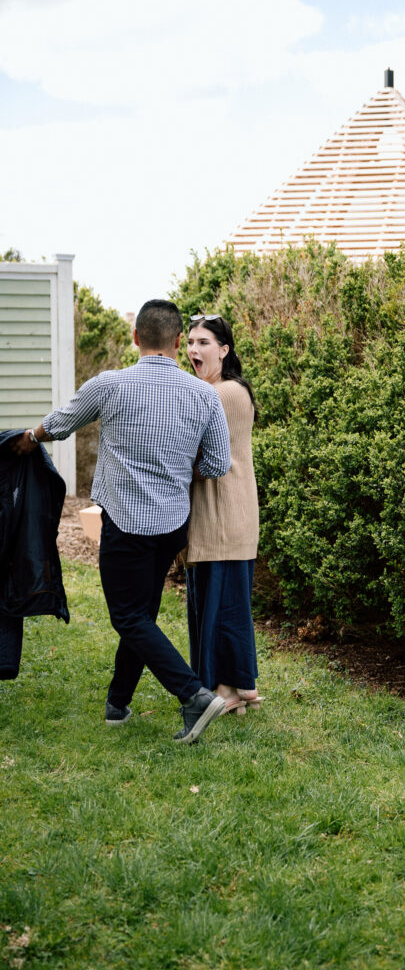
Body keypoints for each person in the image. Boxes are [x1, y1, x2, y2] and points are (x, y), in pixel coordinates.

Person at [11, 299, 231, 743]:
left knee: (129, 617)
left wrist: (30, 438)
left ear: (135, 338)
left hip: (126, 524)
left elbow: (61, 423)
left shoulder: (110, 385)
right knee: (143, 612)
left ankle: (194, 696)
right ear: (175, 342)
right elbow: (216, 465)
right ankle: (118, 703)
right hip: (172, 526)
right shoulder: (205, 395)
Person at [184, 313, 261, 713]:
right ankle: (234, 686)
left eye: (204, 343)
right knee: (223, 605)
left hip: (223, 516)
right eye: (191, 342)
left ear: (224, 350)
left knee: (220, 607)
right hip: (224, 516)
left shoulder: (221, 393)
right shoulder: (218, 390)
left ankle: (228, 691)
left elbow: (197, 458)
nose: (194, 350)